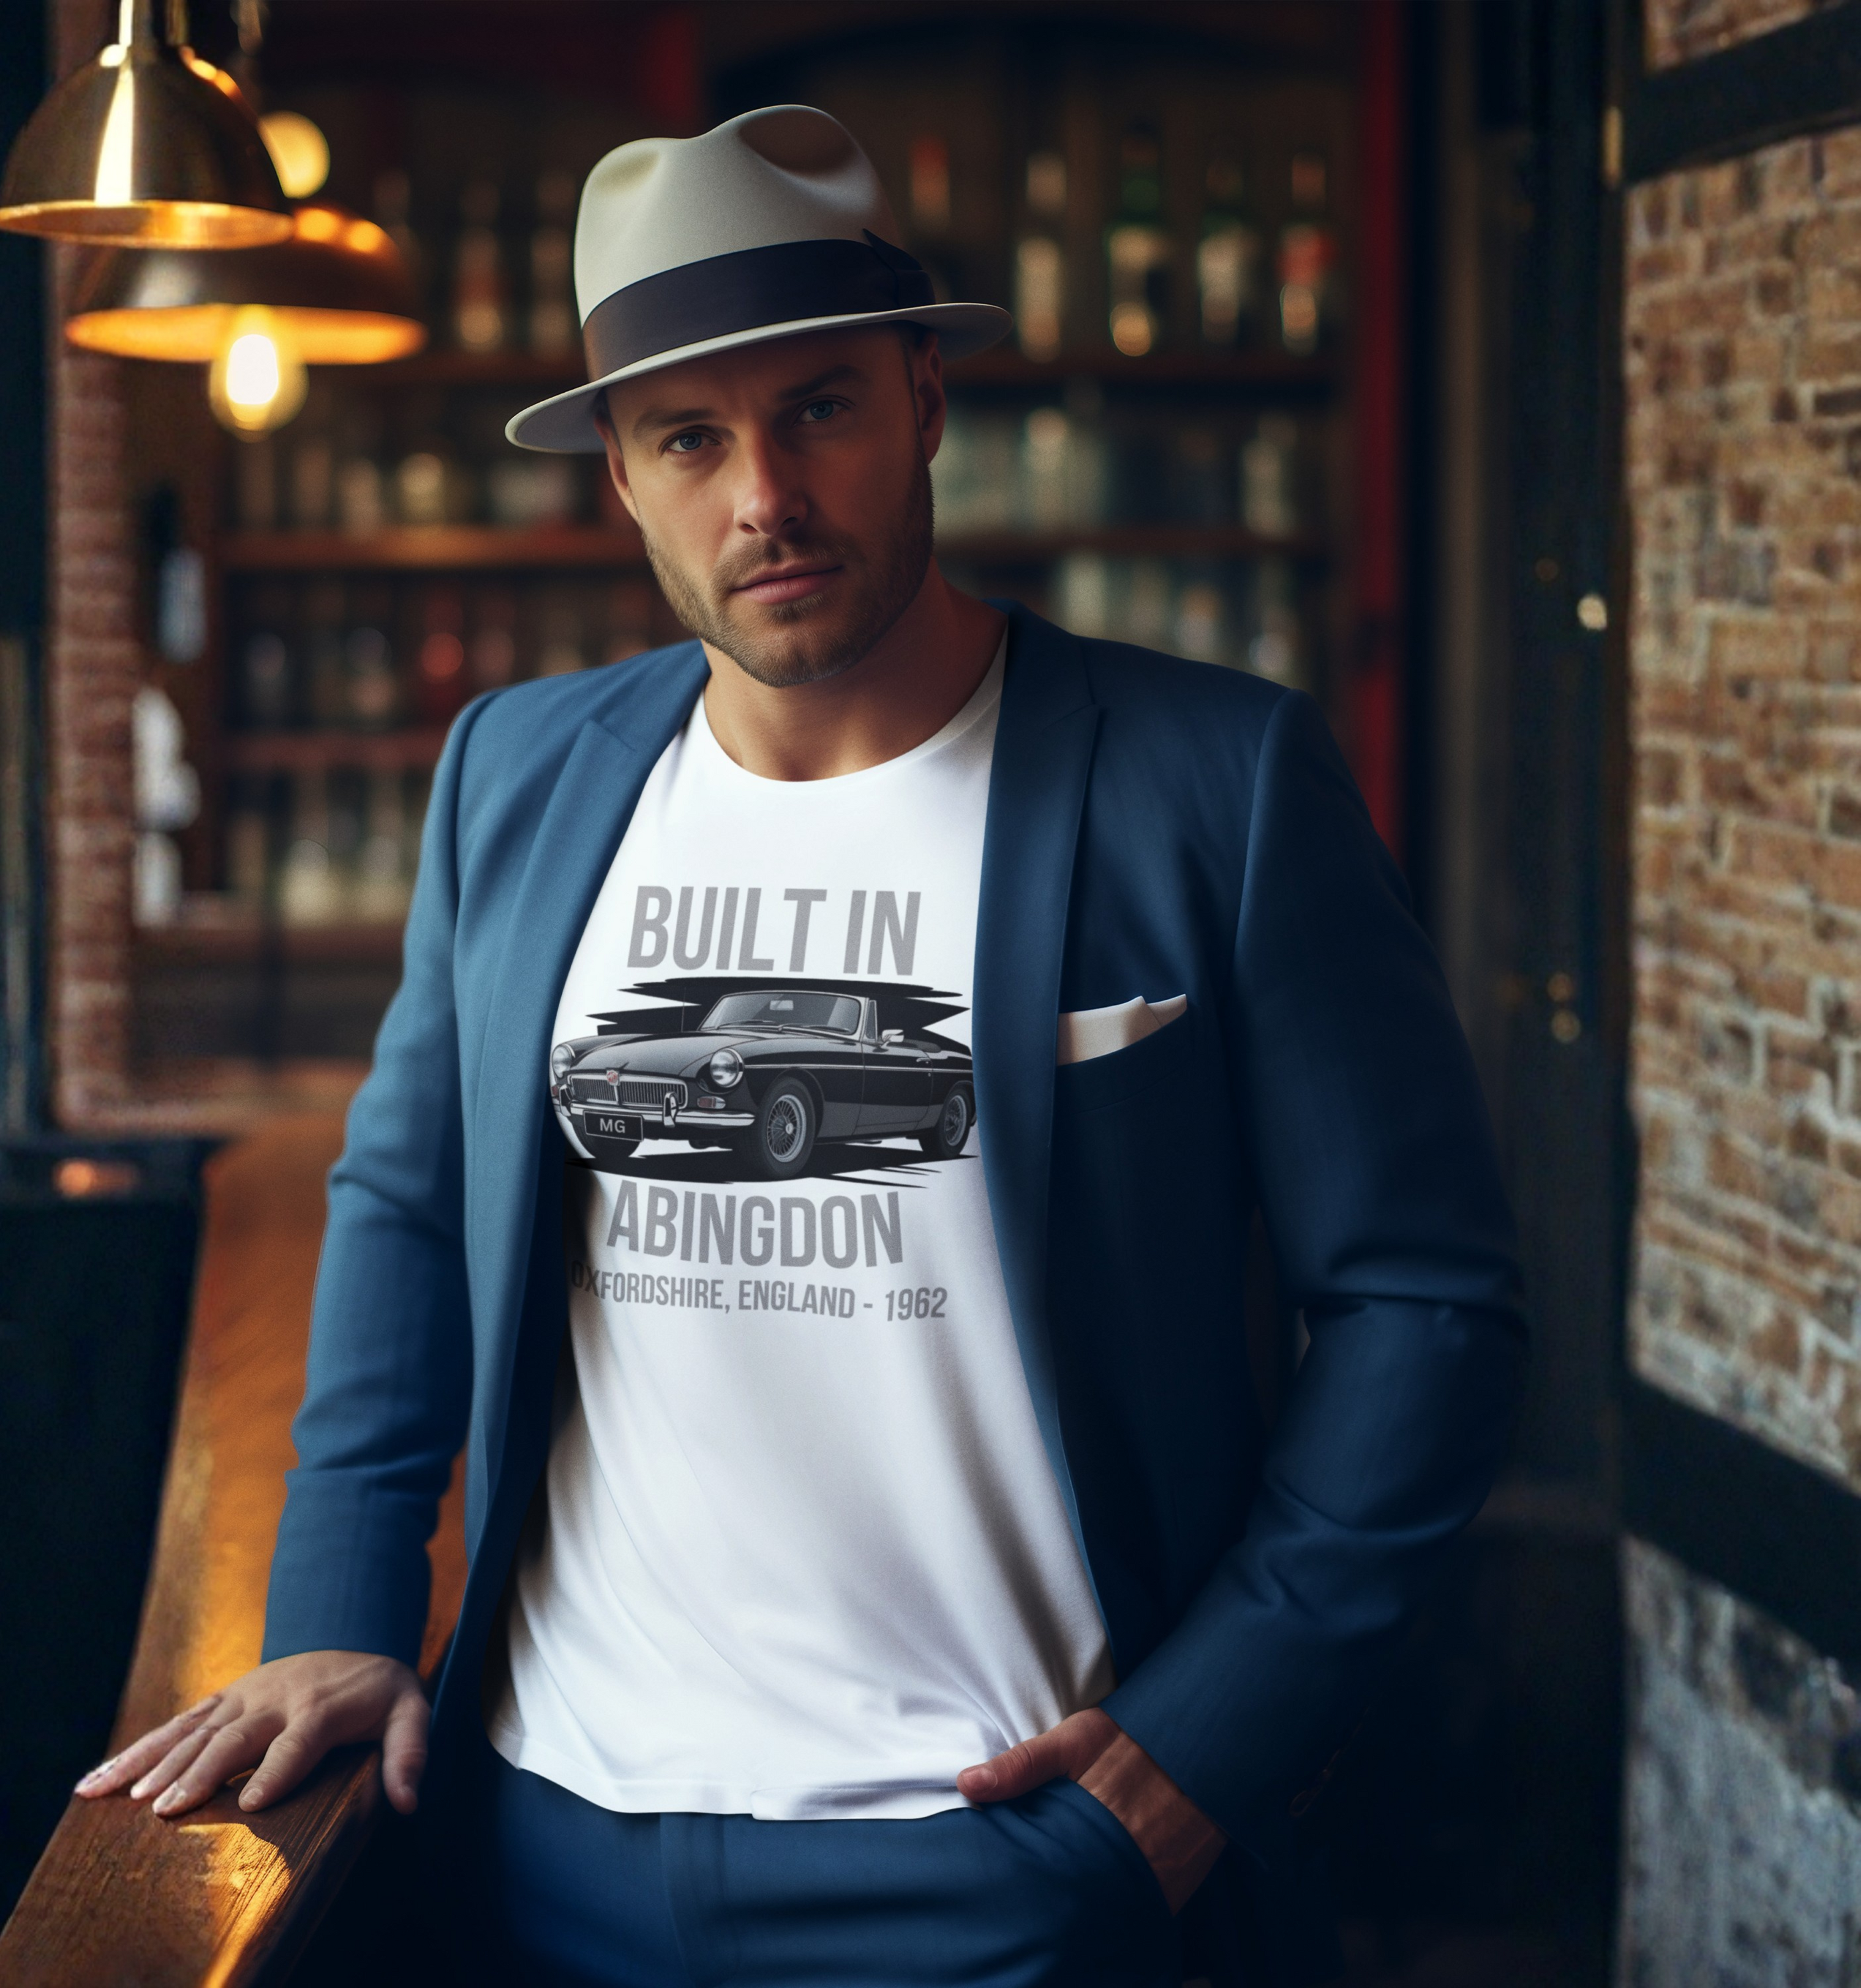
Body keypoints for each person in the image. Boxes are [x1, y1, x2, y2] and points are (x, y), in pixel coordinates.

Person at [77, 106, 1523, 1986]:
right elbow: (411, 1207)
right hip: (545, 1842)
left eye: (818, 407)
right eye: (691, 436)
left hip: (1017, 1866)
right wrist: (342, 1611)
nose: (765, 491)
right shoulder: (518, 779)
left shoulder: (1211, 782)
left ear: (924, 400)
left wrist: (1197, 1758)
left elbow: (1428, 1302)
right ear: (621, 473)